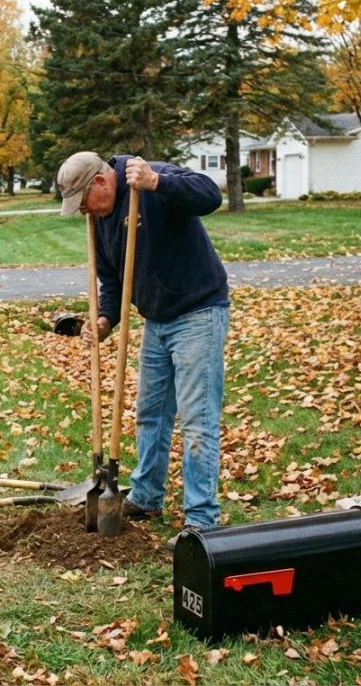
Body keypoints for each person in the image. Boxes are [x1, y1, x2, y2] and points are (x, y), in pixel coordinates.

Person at [56, 151, 230, 550]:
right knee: (150, 413)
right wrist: (105, 319)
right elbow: (114, 279)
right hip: (157, 319)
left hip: (199, 312)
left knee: (197, 419)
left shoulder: (151, 180)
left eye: (84, 201)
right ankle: (147, 497)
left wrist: (158, 182)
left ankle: (202, 520)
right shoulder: (99, 222)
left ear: (100, 183)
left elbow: (209, 196)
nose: (84, 211)